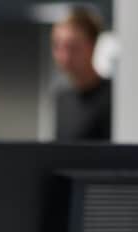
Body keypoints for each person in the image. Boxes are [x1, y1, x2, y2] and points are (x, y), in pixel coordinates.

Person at [52, 6, 111, 141]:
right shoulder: (62, 99)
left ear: (92, 46)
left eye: (72, 47)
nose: (63, 56)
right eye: (57, 46)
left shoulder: (112, 98)